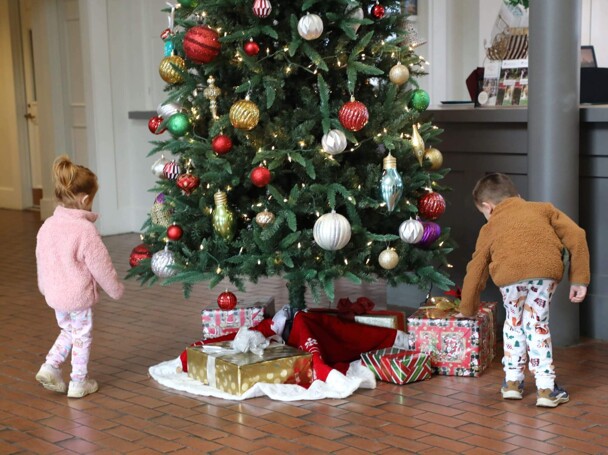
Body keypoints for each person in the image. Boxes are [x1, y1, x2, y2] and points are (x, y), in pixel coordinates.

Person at [459, 173, 590, 408]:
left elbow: (476, 269)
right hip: (545, 273)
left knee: (514, 323)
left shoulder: (491, 227)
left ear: (488, 207)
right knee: (537, 324)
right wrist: (579, 279)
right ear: (518, 196)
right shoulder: (543, 209)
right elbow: (577, 235)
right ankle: (546, 388)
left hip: (509, 278)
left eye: (484, 214)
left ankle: (512, 383)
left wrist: (467, 308)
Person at [35, 155, 124, 398]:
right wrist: (115, 289)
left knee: (69, 331)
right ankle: (78, 382)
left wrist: (45, 287)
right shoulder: (85, 231)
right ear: (85, 199)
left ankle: (51, 366)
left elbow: (42, 259)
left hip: (55, 293)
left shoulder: (48, 226)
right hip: (77, 295)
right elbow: (101, 265)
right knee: (82, 335)